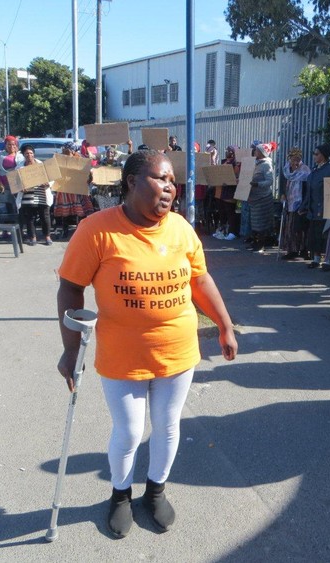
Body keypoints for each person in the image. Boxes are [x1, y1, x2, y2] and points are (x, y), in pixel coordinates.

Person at [56, 149, 237, 538]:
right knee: (129, 431)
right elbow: (70, 288)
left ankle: (155, 491)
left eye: (172, 180)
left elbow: (200, 280)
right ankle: (120, 495)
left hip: (177, 351)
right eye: (160, 178)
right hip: (122, 355)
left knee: (168, 425)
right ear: (132, 182)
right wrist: (71, 349)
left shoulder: (180, 228)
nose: (170, 187)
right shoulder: (96, 230)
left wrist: (225, 325)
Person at [301, 144, 330, 268]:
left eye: (317, 154)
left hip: (325, 208)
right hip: (313, 208)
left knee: (326, 235)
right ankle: (316, 259)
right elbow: (309, 190)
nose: (314, 156)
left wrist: (328, 207)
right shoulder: (315, 169)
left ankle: (329, 260)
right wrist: (304, 206)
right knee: (314, 235)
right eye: (314, 153)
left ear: (324, 156)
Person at [52, 142, 95, 239]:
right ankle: (65, 231)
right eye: (64, 149)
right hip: (64, 189)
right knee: (65, 212)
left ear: (73, 150)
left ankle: (80, 231)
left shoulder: (80, 159)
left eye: (68, 150)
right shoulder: (59, 159)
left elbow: (87, 174)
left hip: (77, 188)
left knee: (80, 212)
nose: (65, 151)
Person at [16, 144, 54, 246]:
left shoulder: (42, 165)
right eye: (26, 153)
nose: (29, 155)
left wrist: (48, 183)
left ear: (34, 154)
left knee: (45, 217)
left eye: (31, 153)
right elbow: (16, 182)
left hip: (42, 194)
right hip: (27, 196)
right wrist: (20, 187)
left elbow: (51, 178)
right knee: (30, 218)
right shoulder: (19, 167)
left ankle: (47, 236)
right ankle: (32, 237)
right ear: (23, 155)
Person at [279, 147, 311, 259]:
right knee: (290, 228)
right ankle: (291, 250)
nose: (295, 162)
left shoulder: (305, 170)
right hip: (289, 203)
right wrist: (282, 194)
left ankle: (303, 250)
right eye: (293, 159)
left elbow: (308, 188)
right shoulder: (286, 170)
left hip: (300, 203)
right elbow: (282, 184)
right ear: (289, 159)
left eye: (298, 159)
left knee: (301, 228)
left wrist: (305, 204)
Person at [246, 142, 277, 252]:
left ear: (262, 153)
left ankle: (261, 245)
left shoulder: (266, 165)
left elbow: (270, 181)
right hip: (254, 198)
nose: (254, 151)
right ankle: (255, 242)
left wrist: (257, 184)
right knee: (255, 223)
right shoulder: (254, 163)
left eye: (257, 150)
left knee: (261, 223)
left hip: (263, 198)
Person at [214, 145, 241, 240]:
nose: (227, 152)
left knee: (230, 212)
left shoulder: (236, 163)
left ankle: (232, 232)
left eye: (229, 151)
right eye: (227, 150)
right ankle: (223, 230)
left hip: (230, 190)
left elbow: (236, 175)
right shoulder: (225, 161)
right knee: (222, 212)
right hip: (221, 190)